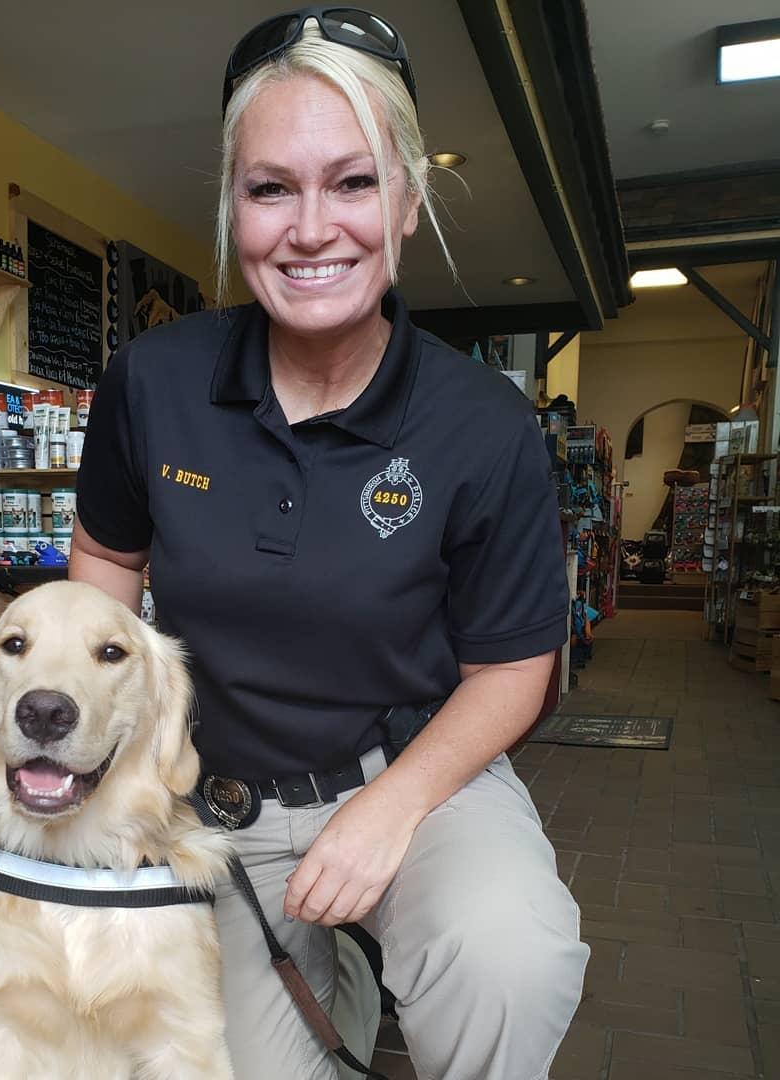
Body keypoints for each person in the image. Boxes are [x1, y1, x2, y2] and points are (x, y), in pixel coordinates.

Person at [71, 7, 588, 1078]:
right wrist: (107, 763)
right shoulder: (152, 384)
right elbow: (106, 572)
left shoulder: (484, 423)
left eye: (352, 183)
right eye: (271, 189)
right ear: (233, 205)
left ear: (407, 201)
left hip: (418, 773)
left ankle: (373, 958)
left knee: (507, 956)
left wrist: (385, 813)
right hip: (214, 797)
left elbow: (513, 668)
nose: (312, 229)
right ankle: (339, 986)